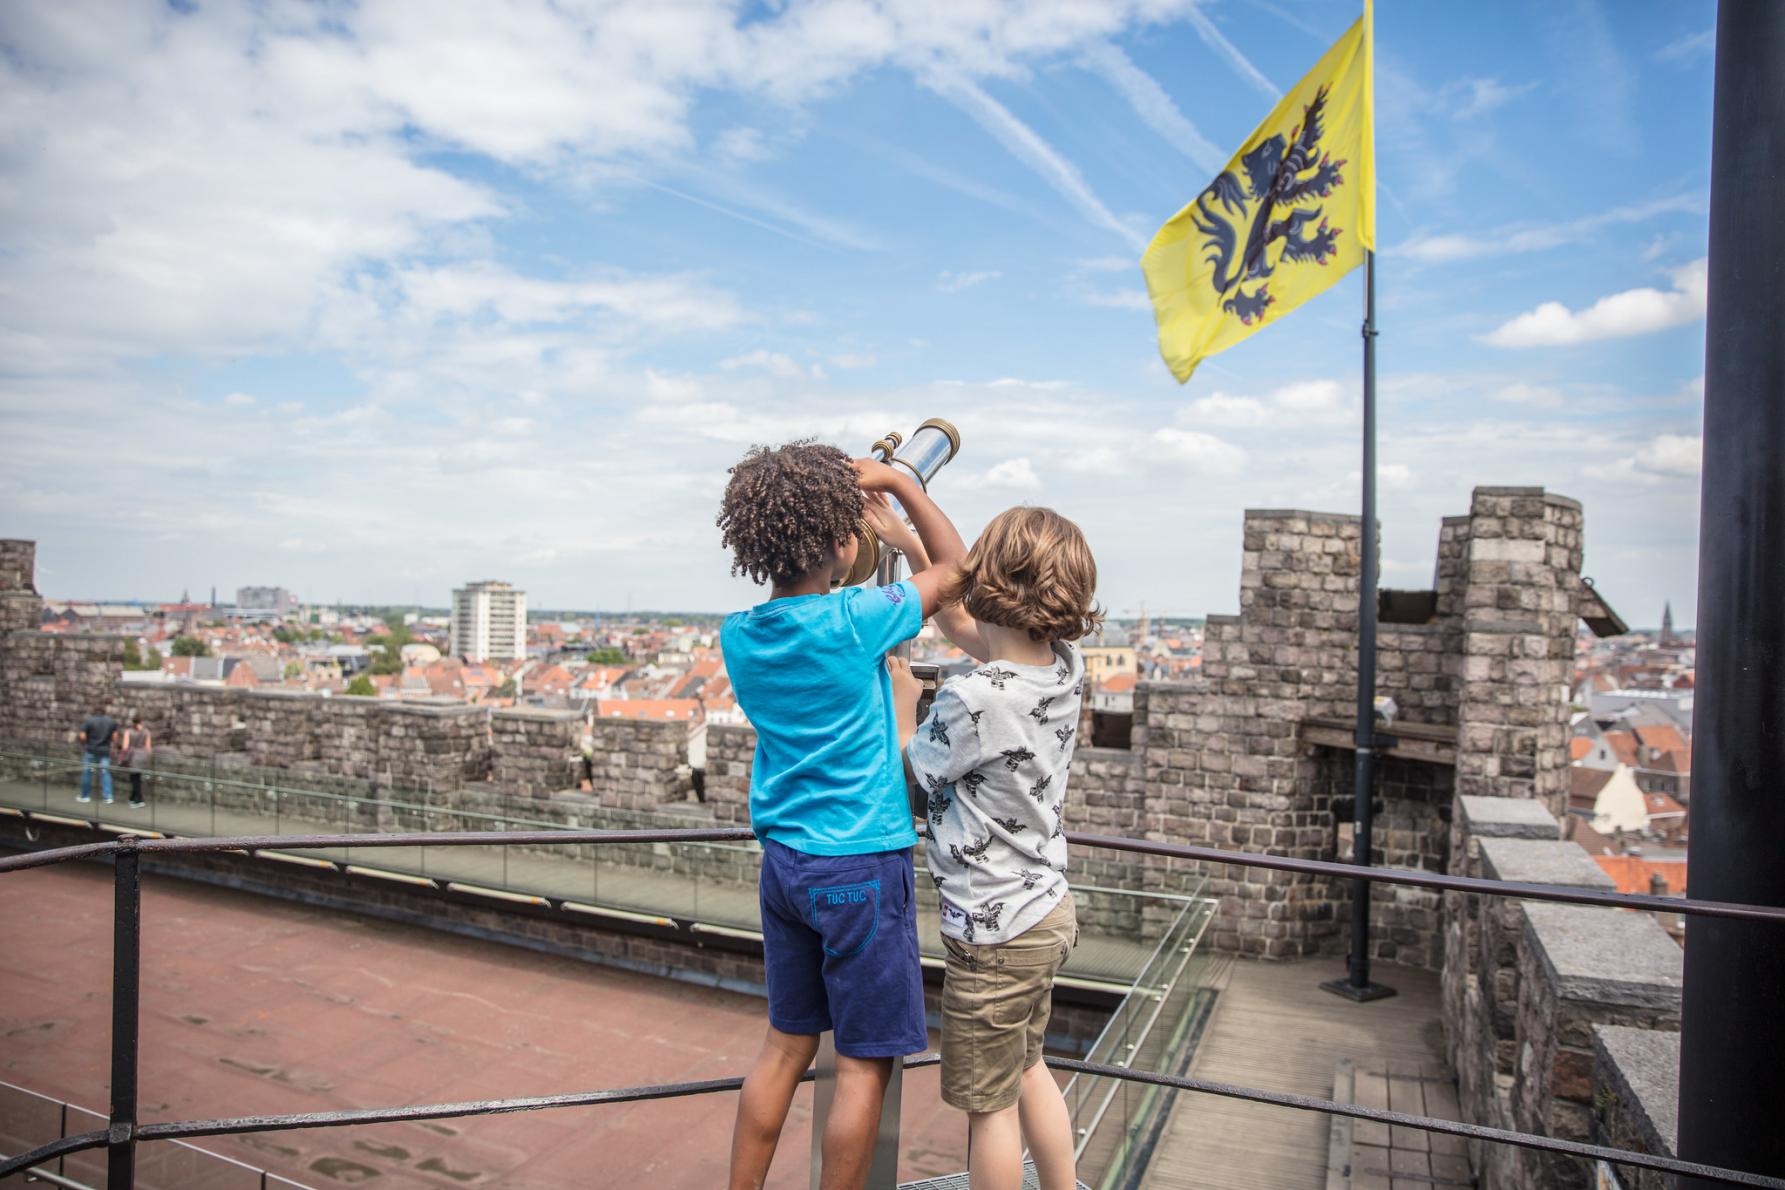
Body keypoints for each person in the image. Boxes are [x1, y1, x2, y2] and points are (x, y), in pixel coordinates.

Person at [718, 440, 967, 1190]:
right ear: (838, 539)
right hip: (858, 862)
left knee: (785, 1047)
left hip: (786, 864)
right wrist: (898, 487)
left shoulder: (738, 634)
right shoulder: (856, 619)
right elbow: (959, 572)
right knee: (863, 1064)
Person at [895, 506, 1102, 1190]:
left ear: (990, 580)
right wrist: (909, 545)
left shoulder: (974, 696)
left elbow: (911, 772)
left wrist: (903, 702)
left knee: (987, 1109)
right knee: (1028, 1065)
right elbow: (964, 624)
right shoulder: (1061, 668)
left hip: (992, 932)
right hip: (1045, 911)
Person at [75, 704, 117, 805]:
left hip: (91, 749)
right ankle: (108, 797)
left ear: (94, 711)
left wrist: (84, 743)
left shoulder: (89, 721)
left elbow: (82, 736)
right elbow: (114, 737)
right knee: (105, 772)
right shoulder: (111, 721)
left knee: (87, 772)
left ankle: (85, 796)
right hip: (105, 750)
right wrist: (113, 747)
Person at [118, 716, 152, 809]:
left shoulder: (128, 732)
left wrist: (122, 757)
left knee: (135, 779)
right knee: (137, 777)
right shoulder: (146, 732)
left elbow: (125, 747)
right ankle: (132, 798)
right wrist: (149, 760)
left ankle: (139, 799)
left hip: (134, 756)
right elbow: (148, 748)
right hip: (143, 755)